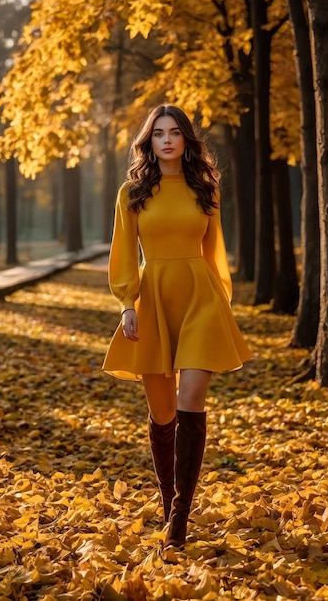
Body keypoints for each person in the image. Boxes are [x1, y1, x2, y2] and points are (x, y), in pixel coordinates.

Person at [102, 104, 252, 549]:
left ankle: (181, 520)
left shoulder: (205, 187)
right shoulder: (132, 192)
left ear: (187, 139)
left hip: (200, 298)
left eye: (175, 133)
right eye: (158, 134)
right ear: (149, 142)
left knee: (191, 400)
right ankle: (169, 503)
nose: (167, 140)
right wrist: (127, 304)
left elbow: (216, 249)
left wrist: (221, 300)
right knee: (162, 413)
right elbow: (124, 253)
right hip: (152, 299)